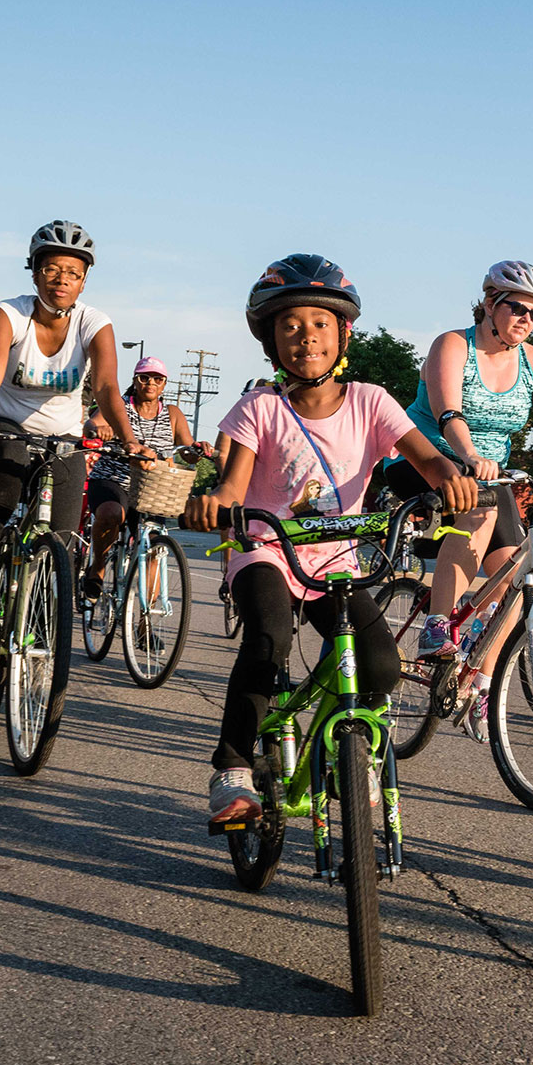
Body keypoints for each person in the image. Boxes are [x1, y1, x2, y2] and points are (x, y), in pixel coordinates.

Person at [183, 255, 474, 823]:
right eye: (289, 326)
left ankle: (347, 747)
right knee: (268, 641)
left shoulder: (371, 401)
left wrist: (453, 482)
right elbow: (233, 486)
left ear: (341, 334)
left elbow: (430, 460)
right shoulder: (259, 407)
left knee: (381, 666)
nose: (305, 338)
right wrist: (216, 505)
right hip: (266, 550)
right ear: (270, 341)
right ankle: (234, 767)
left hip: (336, 560)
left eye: (319, 324)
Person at [383, 262, 533, 736]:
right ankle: (436, 625)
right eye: (518, 308)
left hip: (491, 475)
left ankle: (481, 684)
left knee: (517, 574)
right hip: (426, 457)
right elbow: (449, 412)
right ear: (490, 303)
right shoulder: (453, 345)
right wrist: (469, 455)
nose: (527, 320)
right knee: (480, 507)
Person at [0, 220, 135, 607]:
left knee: (62, 547)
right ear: (34, 273)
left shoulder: (93, 323)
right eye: (51, 269)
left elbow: (105, 387)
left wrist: (130, 439)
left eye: (73, 273)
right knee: (9, 459)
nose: (61, 280)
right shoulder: (9, 313)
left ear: (84, 282)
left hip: (63, 438)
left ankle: (43, 623)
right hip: (4, 428)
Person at [83, 356, 213, 598]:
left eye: (157, 378)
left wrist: (197, 449)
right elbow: (92, 423)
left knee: (154, 545)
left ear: (164, 384)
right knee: (111, 513)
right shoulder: (119, 406)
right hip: (114, 478)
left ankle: (145, 625)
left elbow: (187, 450)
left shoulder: (172, 413)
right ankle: (97, 567)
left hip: (153, 488)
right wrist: (98, 429)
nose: (150, 383)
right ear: (135, 381)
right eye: (144, 378)